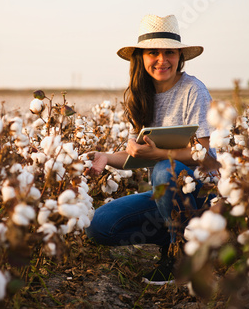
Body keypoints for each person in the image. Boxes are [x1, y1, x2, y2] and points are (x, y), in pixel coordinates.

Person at [85, 14, 215, 285]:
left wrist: (160, 156)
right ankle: (176, 237)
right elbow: (136, 156)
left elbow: (203, 154)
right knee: (99, 225)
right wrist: (106, 157)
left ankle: (181, 256)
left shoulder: (194, 90)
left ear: (180, 56)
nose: (162, 59)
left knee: (162, 169)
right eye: (153, 52)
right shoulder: (140, 95)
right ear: (140, 57)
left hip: (205, 194)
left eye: (169, 52)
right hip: (167, 194)